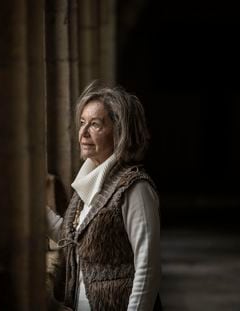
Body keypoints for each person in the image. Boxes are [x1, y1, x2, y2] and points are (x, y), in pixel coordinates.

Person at [47, 81, 162, 311]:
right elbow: (73, 239)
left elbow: (147, 267)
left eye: (95, 124)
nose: (83, 132)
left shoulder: (135, 188)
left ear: (119, 131)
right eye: (82, 123)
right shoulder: (89, 182)